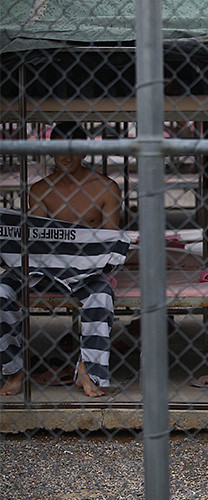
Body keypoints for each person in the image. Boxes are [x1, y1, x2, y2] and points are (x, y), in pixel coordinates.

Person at [1, 121, 122, 398]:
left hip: (84, 269)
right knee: (0, 291)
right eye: (59, 150)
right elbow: (32, 238)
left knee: (102, 296)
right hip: (40, 268)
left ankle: (89, 371)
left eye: (73, 150)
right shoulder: (40, 190)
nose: (66, 157)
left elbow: (110, 240)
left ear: (84, 151)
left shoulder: (106, 188)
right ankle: (14, 369)